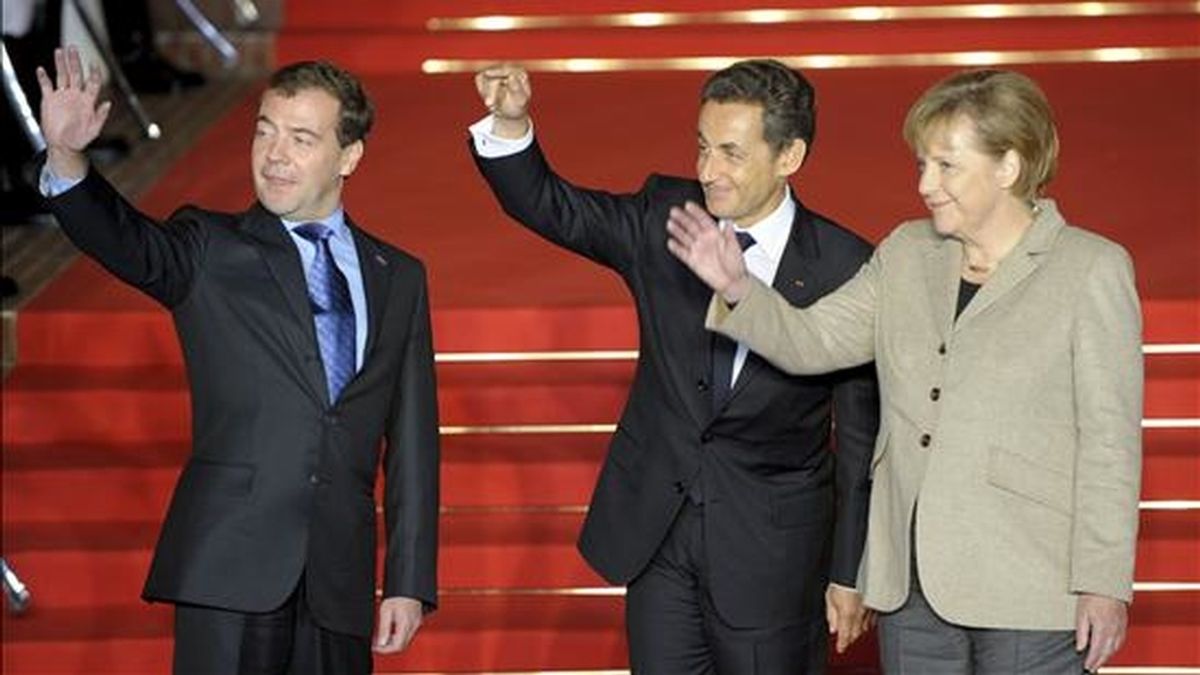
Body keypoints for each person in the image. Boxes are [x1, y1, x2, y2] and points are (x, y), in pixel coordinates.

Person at [667, 68, 1142, 673]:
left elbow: (1110, 442)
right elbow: (813, 341)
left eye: (946, 166)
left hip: (1031, 584)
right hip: (910, 589)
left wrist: (1104, 580)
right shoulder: (905, 253)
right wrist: (738, 287)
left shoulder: (1091, 269)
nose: (924, 184)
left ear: (1009, 167)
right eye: (922, 164)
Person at [35, 46, 440, 673]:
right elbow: (123, 238)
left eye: (302, 139)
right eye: (265, 132)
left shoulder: (400, 277)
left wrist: (410, 579)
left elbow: (414, 441)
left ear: (349, 156)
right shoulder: (208, 248)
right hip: (227, 568)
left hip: (338, 582)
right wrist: (67, 158)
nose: (275, 155)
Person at [471, 59, 880, 673]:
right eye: (702, 146)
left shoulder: (844, 266)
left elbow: (859, 441)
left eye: (732, 154)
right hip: (658, 534)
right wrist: (512, 123)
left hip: (772, 555)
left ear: (789, 156)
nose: (708, 171)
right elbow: (552, 206)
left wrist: (850, 573)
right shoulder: (668, 217)